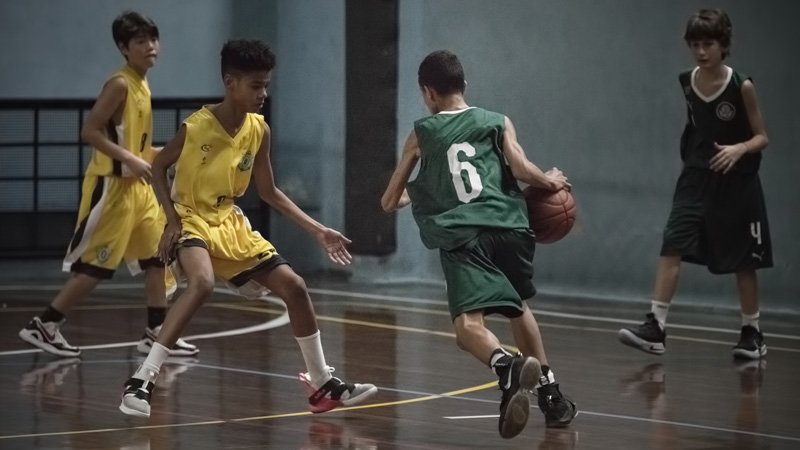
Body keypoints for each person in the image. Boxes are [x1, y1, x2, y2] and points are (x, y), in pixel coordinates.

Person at [119, 39, 377, 418]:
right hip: (190, 217)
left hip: (229, 221)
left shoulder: (259, 130)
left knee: (296, 287)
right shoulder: (197, 126)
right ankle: (142, 379)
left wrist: (318, 230)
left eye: (266, 85)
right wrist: (171, 220)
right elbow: (158, 167)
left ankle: (322, 383)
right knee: (202, 283)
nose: (263, 93)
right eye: (256, 86)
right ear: (230, 83)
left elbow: (270, 192)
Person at [381, 50, 577, 439]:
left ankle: (506, 366)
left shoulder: (423, 132)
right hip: (511, 227)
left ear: (427, 93)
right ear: (464, 85)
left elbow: (389, 200)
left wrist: (408, 197)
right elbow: (521, 169)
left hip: (465, 236)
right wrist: (550, 181)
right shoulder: (497, 121)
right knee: (518, 307)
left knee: (467, 328)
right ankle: (552, 396)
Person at [18, 11, 197, 359]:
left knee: (157, 258)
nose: (151, 47)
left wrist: (167, 155)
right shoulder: (120, 83)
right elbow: (90, 131)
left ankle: (157, 331)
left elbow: (138, 147)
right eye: (141, 41)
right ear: (123, 48)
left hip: (139, 190)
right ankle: (45, 324)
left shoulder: (143, 83)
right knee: (95, 267)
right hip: (112, 187)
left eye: (153, 39)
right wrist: (129, 159)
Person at [618, 8, 771, 360]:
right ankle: (655, 325)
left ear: (723, 44)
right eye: (695, 45)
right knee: (673, 243)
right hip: (696, 179)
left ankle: (753, 332)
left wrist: (739, 149)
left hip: (737, 182)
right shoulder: (687, 81)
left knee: (743, 261)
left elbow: (763, 136)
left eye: (709, 44)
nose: (702, 51)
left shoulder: (741, 86)